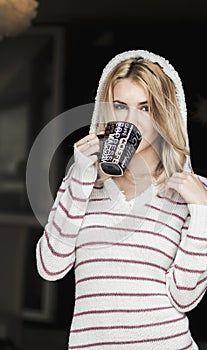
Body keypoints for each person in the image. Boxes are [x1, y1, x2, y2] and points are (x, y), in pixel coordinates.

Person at [36, 49, 207, 349]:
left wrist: (203, 212)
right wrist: (80, 179)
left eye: (145, 108)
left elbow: (185, 296)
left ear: (164, 114)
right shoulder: (81, 182)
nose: (132, 120)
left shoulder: (194, 193)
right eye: (120, 106)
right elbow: (50, 266)